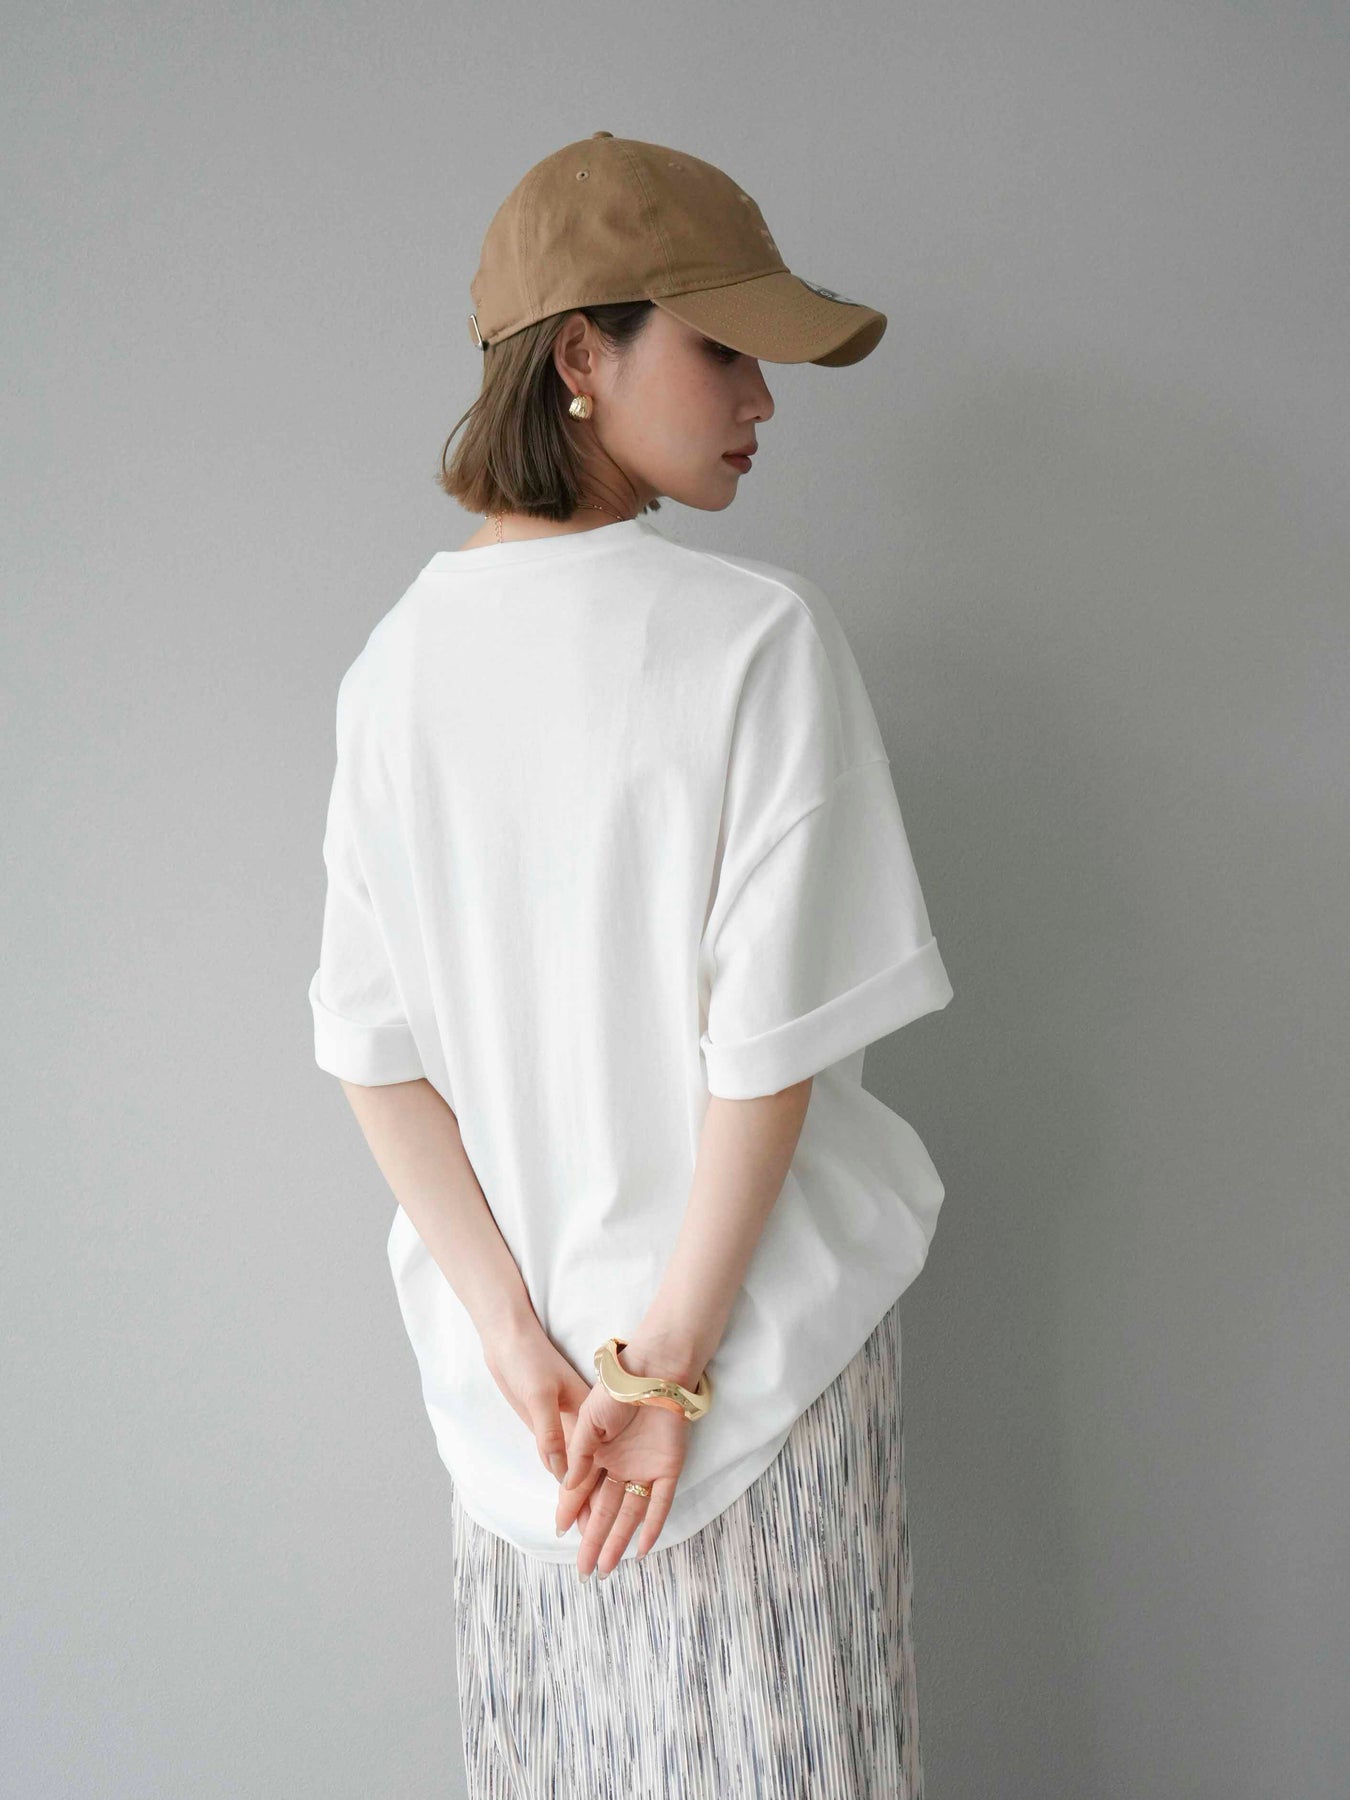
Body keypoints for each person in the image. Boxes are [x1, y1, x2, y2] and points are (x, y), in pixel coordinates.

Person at [308, 132, 953, 1798]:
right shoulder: (754, 639)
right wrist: (662, 1369)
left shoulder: (390, 674)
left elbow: (376, 1059)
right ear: (578, 356)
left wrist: (517, 1345)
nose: (761, 397)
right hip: (760, 1381)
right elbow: (767, 1051)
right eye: (722, 348)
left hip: (527, 1441)